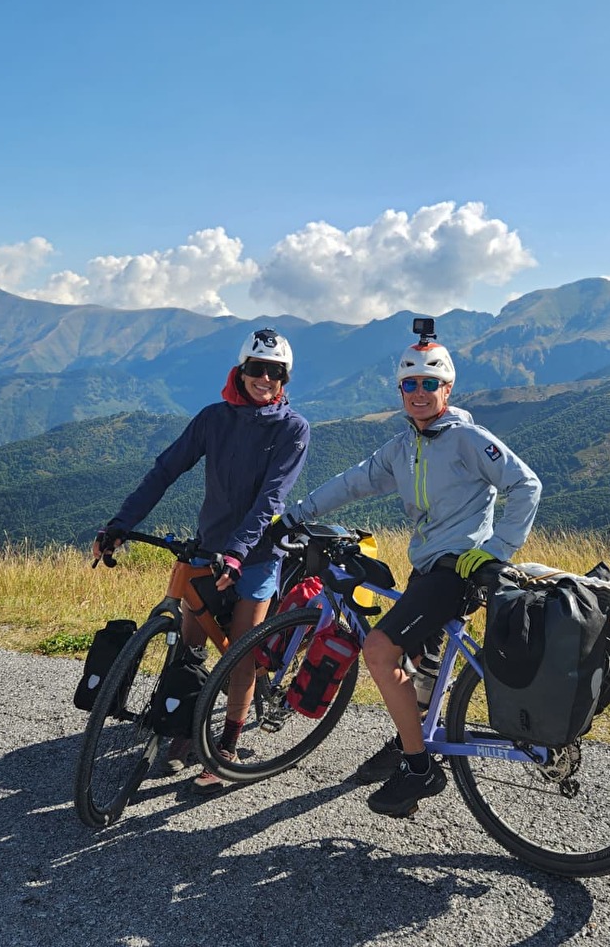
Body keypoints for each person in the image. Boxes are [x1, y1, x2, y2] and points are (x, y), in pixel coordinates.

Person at [277, 326, 541, 816]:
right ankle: (409, 743)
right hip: (427, 569)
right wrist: (296, 515)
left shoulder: (466, 438)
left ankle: (420, 769)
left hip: (456, 571)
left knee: (378, 650)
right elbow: (352, 483)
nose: (419, 393)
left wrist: (498, 549)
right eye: (409, 384)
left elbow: (526, 484)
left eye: (429, 384)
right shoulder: (403, 447)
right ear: (400, 390)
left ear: (448, 389)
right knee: (420, 670)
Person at [94, 327, 310, 794]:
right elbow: (165, 470)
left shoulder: (293, 429)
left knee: (240, 654)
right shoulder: (215, 419)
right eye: (256, 369)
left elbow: (271, 500)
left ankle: (227, 743)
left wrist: (237, 552)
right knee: (189, 647)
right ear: (241, 370)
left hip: (255, 555)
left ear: (284, 379)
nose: (264, 378)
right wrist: (120, 524)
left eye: (274, 372)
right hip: (207, 549)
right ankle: (185, 728)